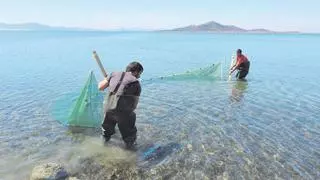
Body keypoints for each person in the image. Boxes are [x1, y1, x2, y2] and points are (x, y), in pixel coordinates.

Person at [98, 62, 143, 149]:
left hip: (108, 108)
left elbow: (100, 87)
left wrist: (107, 80)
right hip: (123, 111)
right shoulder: (135, 82)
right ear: (136, 71)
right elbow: (134, 104)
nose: (139, 76)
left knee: (106, 132)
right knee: (129, 135)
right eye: (140, 74)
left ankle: (103, 147)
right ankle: (130, 153)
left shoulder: (113, 74)